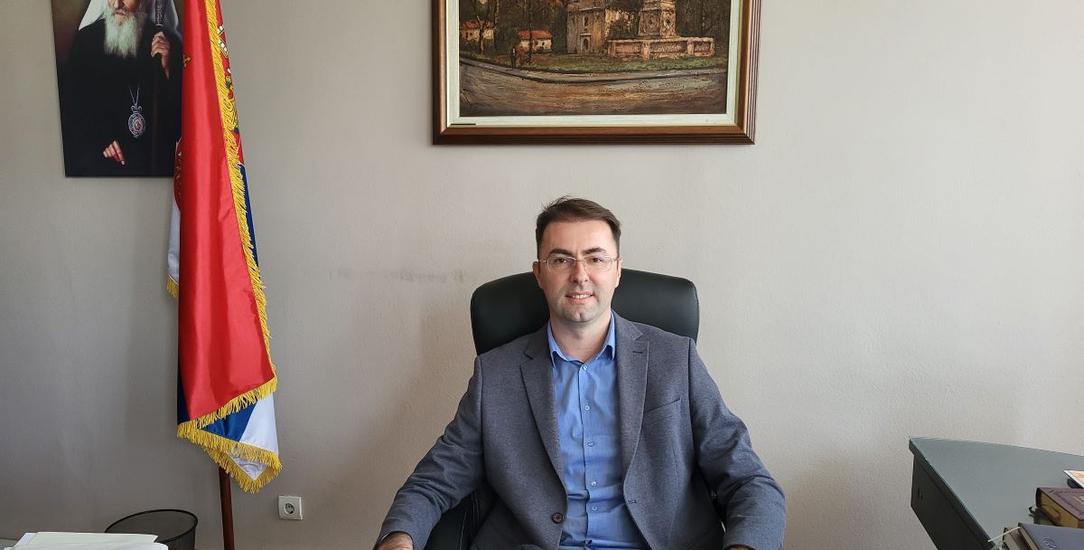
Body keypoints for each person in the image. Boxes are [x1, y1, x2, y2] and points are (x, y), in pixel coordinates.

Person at [377, 198, 786, 550]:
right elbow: (434, 481)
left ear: (617, 270)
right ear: (539, 273)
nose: (580, 275)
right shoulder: (495, 374)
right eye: (561, 260)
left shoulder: (675, 359)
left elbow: (749, 480)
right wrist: (399, 539)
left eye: (596, 258)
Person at [59, 0, 181, 176]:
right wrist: (101, 138)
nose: (117, 4)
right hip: (100, 165)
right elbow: (71, 108)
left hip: (149, 167)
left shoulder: (164, 44)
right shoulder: (86, 40)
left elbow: (179, 119)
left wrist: (168, 69)